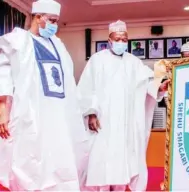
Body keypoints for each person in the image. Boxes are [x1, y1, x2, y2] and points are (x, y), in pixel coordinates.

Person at [0, 0, 88, 190]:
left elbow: (68, 83)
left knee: (60, 159)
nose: (54, 25)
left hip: (58, 114)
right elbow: (2, 74)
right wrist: (2, 108)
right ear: (37, 17)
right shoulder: (17, 41)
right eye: (51, 20)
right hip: (29, 111)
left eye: (56, 21)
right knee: (29, 159)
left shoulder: (58, 45)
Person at [77, 20, 169, 191]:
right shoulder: (97, 60)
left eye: (124, 39)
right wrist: (91, 113)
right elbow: (86, 89)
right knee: (101, 166)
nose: (121, 42)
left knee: (122, 167)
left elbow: (147, 81)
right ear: (109, 40)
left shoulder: (133, 62)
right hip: (103, 123)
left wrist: (159, 87)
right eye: (117, 38)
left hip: (126, 125)